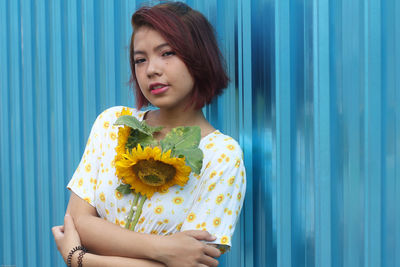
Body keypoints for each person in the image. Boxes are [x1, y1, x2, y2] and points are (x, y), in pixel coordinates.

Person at [52, 2, 246, 267]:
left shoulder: (221, 155)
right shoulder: (114, 124)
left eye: (167, 53)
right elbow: (76, 222)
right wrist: (164, 249)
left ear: (199, 56)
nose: (151, 69)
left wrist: (80, 259)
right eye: (140, 59)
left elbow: (192, 262)